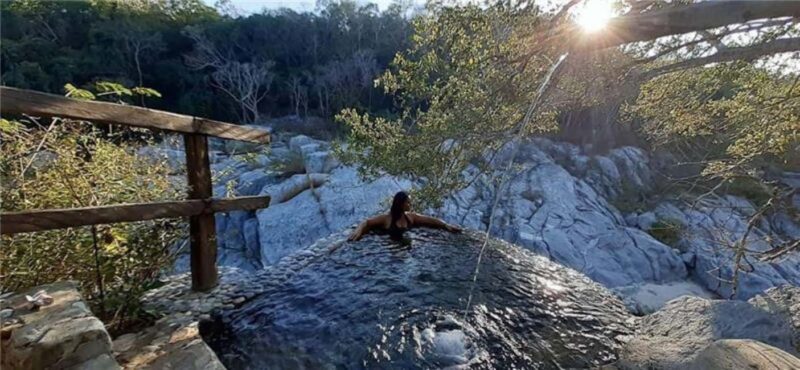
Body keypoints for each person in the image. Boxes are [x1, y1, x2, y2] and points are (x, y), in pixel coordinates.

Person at [348, 191, 462, 241]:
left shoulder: (410, 217)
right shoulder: (387, 218)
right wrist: (358, 230)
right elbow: (367, 222)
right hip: (392, 249)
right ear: (401, 203)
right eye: (408, 202)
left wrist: (446, 226)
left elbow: (430, 220)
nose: (410, 204)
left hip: (405, 246)